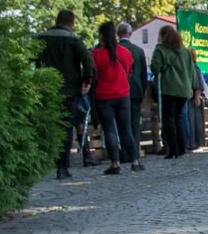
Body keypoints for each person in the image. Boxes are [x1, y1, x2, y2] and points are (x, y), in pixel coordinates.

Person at [36, 10, 94, 179]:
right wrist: (86, 79)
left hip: (46, 88)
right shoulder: (74, 40)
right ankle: (62, 166)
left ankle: (45, 162)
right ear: (71, 23)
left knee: (47, 126)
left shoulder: (41, 38)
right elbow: (87, 59)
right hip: (70, 89)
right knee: (67, 127)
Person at [91, 21, 142, 174]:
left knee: (110, 130)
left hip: (104, 96)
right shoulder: (125, 52)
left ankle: (115, 163)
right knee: (126, 129)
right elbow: (129, 72)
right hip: (123, 95)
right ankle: (135, 161)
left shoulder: (97, 54)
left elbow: (93, 74)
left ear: (101, 36)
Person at [151, 25, 199, 159]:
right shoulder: (185, 51)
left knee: (169, 119)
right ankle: (182, 147)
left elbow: (155, 68)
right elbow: (192, 71)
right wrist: (193, 87)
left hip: (169, 88)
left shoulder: (160, 50)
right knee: (178, 118)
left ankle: (173, 150)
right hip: (184, 90)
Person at [116, 23, 147, 163]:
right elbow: (144, 75)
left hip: (118, 91)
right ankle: (135, 153)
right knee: (134, 123)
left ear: (117, 33)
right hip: (135, 90)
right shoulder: (139, 51)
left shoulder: (114, 50)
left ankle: (124, 153)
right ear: (130, 33)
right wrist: (143, 90)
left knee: (121, 123)